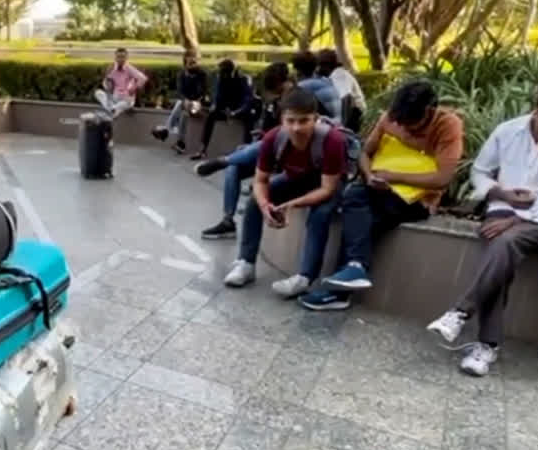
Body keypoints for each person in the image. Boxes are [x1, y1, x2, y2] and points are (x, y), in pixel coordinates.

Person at [426, 77, 538, 376]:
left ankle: (461, 312)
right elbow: (480, 172)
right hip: (502, 207)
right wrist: (500, 194)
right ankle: (486, 346)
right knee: (501, 249)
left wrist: (518, 219)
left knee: (504, 242)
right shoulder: (509, 131)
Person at [301, 80, 465, 311]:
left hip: (416, 200)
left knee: (356, 204)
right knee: (362, 213)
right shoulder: (391, 117)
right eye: (402, 123)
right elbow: (364, 153)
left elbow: (443, 178)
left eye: (412, 124)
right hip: (379, 191)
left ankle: (341, 287)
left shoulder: (448, 125)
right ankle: (350, 275)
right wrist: (369, 176)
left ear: (429, 111)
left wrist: (393, 176)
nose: (406, 129)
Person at [220, 88, 353, 294]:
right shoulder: (273, 138)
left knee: (320, 214)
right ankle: (246, 263)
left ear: (315, 118)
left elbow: (327, 189)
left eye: (303, 121)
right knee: (254, 202)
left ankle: (305, 278)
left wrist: (292, 204)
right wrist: (265, 206)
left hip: (328, 184)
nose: (296, 128)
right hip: (295, 179)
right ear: (282, 119)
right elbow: (260, 181)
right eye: (290, 121)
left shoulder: (332, 140)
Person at [197, 62, 293, 239]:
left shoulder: (297, 99)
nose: (277, 94)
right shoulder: (276, 102)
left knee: (262, 145)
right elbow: (269, 131)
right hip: (270, 150)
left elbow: (286, 133)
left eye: (278, 89)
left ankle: (226, 159)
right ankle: (228, 221)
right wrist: (259, 136)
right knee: (235, 168)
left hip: (290, 153)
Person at [193, 58, 255, 161]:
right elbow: (219, 97)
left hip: (240, 110)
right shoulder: (221, 79)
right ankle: (202, 149)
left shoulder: (242, 79)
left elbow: (248, 100)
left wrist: (236, 112)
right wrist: (218, 108)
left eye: (224, 73)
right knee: (211, 116)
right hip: (227, 110)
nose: (221, 75)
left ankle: (247, 151)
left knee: (250, 118)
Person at [153, 50, 207, 154]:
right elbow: (179, 92)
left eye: (194, 62)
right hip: (185, 104)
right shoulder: (181, 74)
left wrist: (190, 101)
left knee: (181, 104)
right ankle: (181, 143)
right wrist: (185, 100)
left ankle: (166, 129)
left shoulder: (202, 74)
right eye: (190, 63)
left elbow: (202, 92)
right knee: (183, 111)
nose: (193, 64)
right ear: (185, 64)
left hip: (198, 104)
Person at [317, 48, 366, 132]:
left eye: (319, 66)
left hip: (354, 113)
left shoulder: (339, 75)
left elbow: (346, 98)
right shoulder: (333, 75)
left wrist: (341, 124)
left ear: (325, 65)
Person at [95, 47, 147, 119]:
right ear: (115, 58)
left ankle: (112, 111)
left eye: (123, 57)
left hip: (126, 98)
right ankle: (112, 110)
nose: (120, 59)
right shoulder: (112, 68)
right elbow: (105, 84)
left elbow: (143, 78)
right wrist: (107, 84)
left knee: (123, 104)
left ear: (126, 58)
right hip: (115, 97)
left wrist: (134, 88)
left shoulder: (129, 68)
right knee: (98, 93)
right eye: (118, 57)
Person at [291, 50, 342, 124]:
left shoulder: (304, 86)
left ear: (297, 70)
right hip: (338, 121)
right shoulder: (324, 80)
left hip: (328, 123)